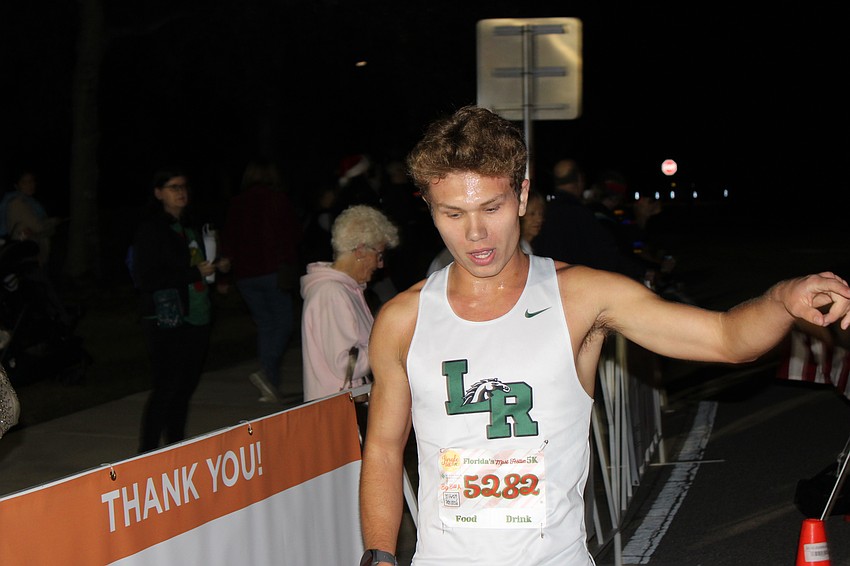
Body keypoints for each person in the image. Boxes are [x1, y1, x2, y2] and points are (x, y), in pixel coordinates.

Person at [358, 105, 850, 566]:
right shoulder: (403, 319)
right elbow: (382, 447)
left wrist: (783, 298)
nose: (476, 234)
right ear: (429, 208)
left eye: (491, 208)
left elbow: (725, 338)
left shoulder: (583, 297)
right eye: (453, 214)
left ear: (523, 196)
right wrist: (379, 557)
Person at [132, 169, 230, 453]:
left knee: (185, 388)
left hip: (197, 315)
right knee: (166, 388)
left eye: (183, 186)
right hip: (167, 319)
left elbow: (198, 263)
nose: (181, 192)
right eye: (173, 187)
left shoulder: (190, 225)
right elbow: (147, 278)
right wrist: (192, 273)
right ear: (158, 193)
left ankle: (175, 446)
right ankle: (147, 452)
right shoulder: (151, 229)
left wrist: (218, 265)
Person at [299, 204, 399, 403]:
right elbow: (345, 365)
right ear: (361, 250)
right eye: (379, 255)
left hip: (343, 405)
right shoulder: (331, 293)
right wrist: (389, 344)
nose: (380, 264)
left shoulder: (344, 290)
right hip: (338, 410)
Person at [221, 159, 301, 402]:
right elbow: (289, 235)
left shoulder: (237, 202)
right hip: (271, 270)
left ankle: (270, 385)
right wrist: (290, 264)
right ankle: (267, 374)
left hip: (245, 275)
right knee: (283, 323)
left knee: (267, 326)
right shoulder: (277, 200)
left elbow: (229, 237)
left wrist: (226, 273)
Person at [534, 158, 651, 284]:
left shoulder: (544, 212)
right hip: (576, 287)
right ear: (579, 180)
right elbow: (605, 257)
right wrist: (642, 271)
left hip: (549, 286)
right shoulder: (581, 215)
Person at [519, 188, 545, 254]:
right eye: (532, 214)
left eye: (541, 214)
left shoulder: (540, 246)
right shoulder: (515, 250)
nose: (539, 219)